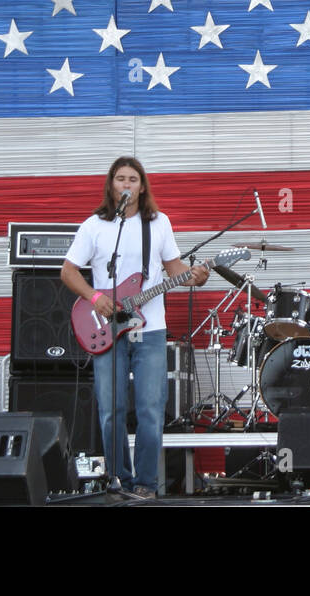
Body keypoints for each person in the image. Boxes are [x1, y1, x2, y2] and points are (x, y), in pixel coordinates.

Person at [60, 157, 208, 499]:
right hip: (108, 329)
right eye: (120, 178)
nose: (126, 184)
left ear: (142, 186)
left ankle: (145, 483)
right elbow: (68, 272)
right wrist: (95, 296)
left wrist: (195, 276)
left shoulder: (158, 224)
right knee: (110, 410)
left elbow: (174, 270)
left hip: (151, 329)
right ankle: (118, 481)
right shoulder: (95, 226)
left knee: (150, 409)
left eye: (133, 179)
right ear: (111, 185)